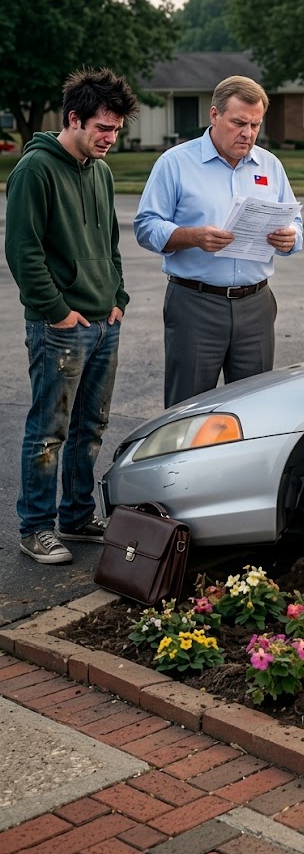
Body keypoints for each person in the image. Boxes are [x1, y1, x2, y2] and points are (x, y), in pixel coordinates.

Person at [5, 67, 139, 565]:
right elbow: (23, 251)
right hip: (60, 327)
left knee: (91, 425)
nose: (110, 138)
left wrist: (117, 297)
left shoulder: (100, 173)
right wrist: (58, 312)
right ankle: (35, 526)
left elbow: (109, 245)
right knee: (48, 429)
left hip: (104, 321)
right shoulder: (35, 170)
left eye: (117, 130)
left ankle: (77, 515)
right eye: (102, 128)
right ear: (74, 119)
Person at [134, 75, 303, 408]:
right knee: (188, 410)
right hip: (196, 303)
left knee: (253, 408)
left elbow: (294, 221)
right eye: (239, 123)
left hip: (256, 304)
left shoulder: (270, 164)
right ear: (214, 115)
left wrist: (290, 237)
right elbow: (146, 226)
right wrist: (192, 237)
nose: (248, 133)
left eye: (255, 125)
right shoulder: (175, 163)